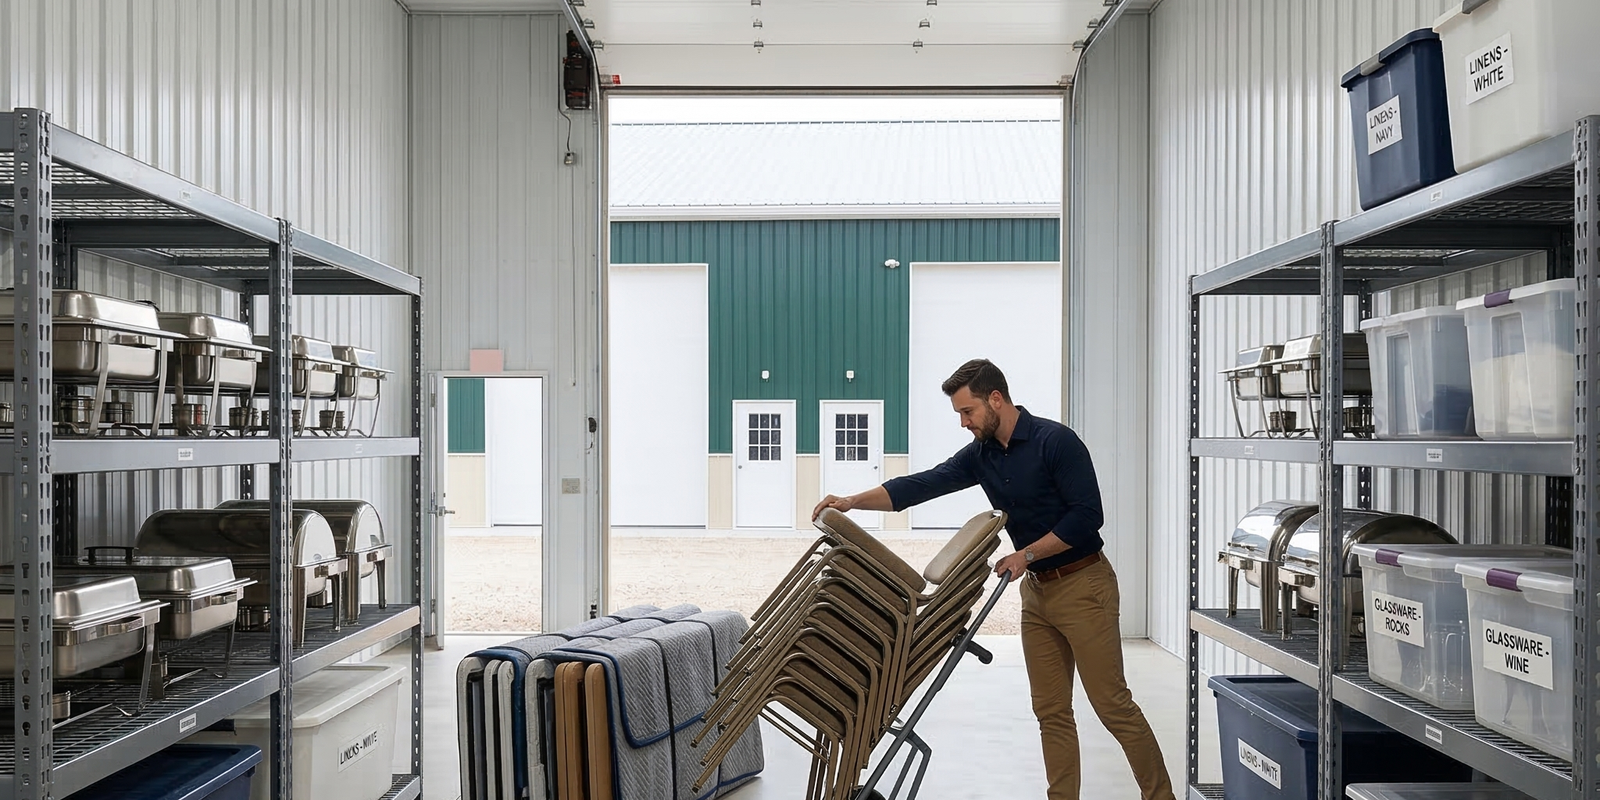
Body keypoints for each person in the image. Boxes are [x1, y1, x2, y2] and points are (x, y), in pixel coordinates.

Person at [811, 358, 1175, 800]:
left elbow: (1087, 517)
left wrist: (1027, 553)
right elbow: (922, 485)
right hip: (1037, 593)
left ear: (996, 399)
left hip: (1084, 586)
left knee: (1112, 706)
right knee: (1051, 712)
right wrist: (851, 501)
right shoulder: (981, 455)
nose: (964, 423)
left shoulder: (1055, 442)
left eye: (968, 411)